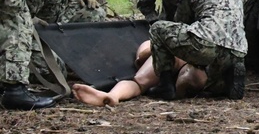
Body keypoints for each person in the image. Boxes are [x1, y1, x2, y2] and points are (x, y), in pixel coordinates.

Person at [148, 0, 247, 101]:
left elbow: (181, 21)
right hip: (237, 49)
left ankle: (165, 85)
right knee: (212, 86)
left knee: (157, 29)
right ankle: (226, 81)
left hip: (206, 44)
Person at [71, 40, 206, 107]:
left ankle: (113, 96)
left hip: (182, 63)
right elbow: (143, 55)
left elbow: (142, 56)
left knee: (139, 83)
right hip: (181, 64)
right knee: (139, 82)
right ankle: (112, 96)